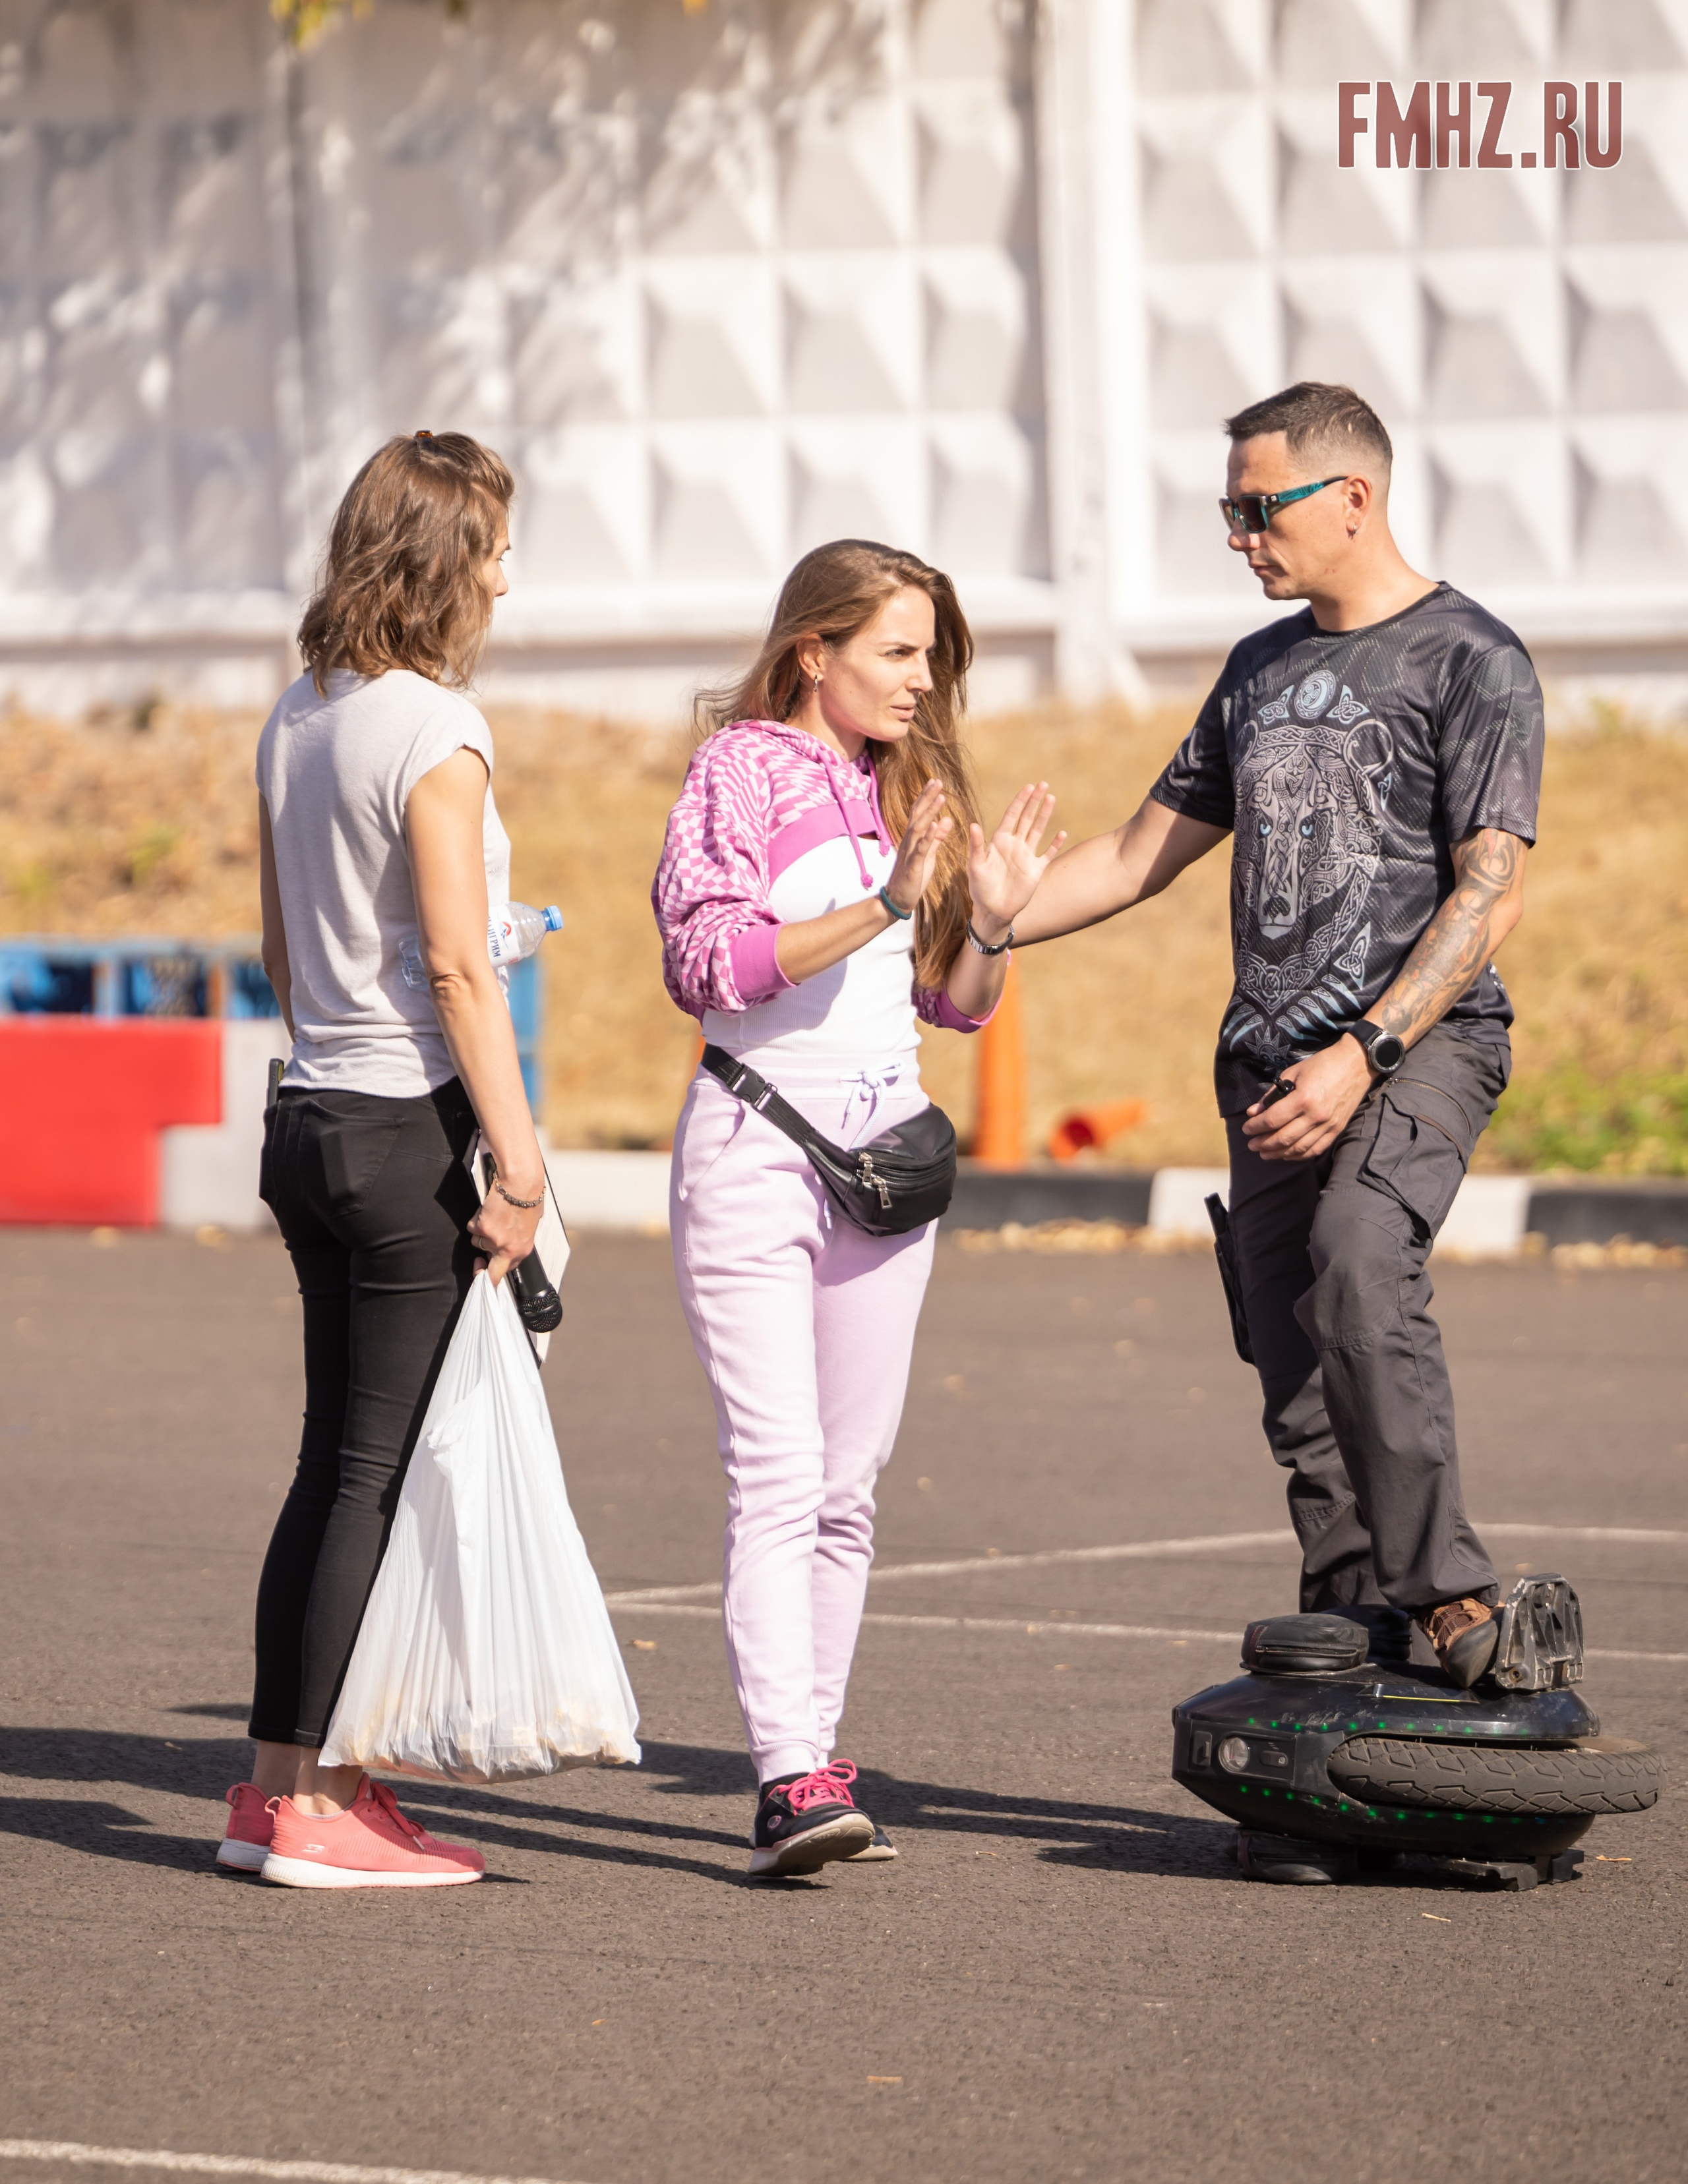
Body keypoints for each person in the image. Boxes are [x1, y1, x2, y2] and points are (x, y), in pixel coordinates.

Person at [1013, 382, 1544, 1687]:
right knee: (1294, 1361)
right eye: (1226, 512)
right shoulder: (1258, 670)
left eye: (1258, 510)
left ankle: (1454, 1602)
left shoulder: (1468, 658)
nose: (1239, 536)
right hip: (1262, 1066)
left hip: (1411, 1050)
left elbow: (1491, 888)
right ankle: (1351, 1640)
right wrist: (982, 918)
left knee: (1358, 1266)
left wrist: (1363, 1049)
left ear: (1350, 497)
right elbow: (1140, 854)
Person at [652, 540, 1063, 1875]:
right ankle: (784, 1778)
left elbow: (952, 1001)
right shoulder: (742, 770)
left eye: (929, 652)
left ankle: (816, 1765)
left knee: (847, 1488)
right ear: (810, 649)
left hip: (885, 1166)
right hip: (755, 1154)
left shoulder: (916, 782)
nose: (918, 676)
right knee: (775, 1476)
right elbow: (710, 961)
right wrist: (881, 902)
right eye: (893, 649)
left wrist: (985, 923)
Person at [218, 430, 547, 1886]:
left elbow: (289, 948)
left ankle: (269, 1786)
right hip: (403, 1122)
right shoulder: (435, 728)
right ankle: (321, 1807)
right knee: (377, 1476)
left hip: (306, 1115)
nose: (507, 566)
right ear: (444, 559)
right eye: (494, 540)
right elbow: (462, 972)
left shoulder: (299, 713)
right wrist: (522, 1164)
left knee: (328, 1466)